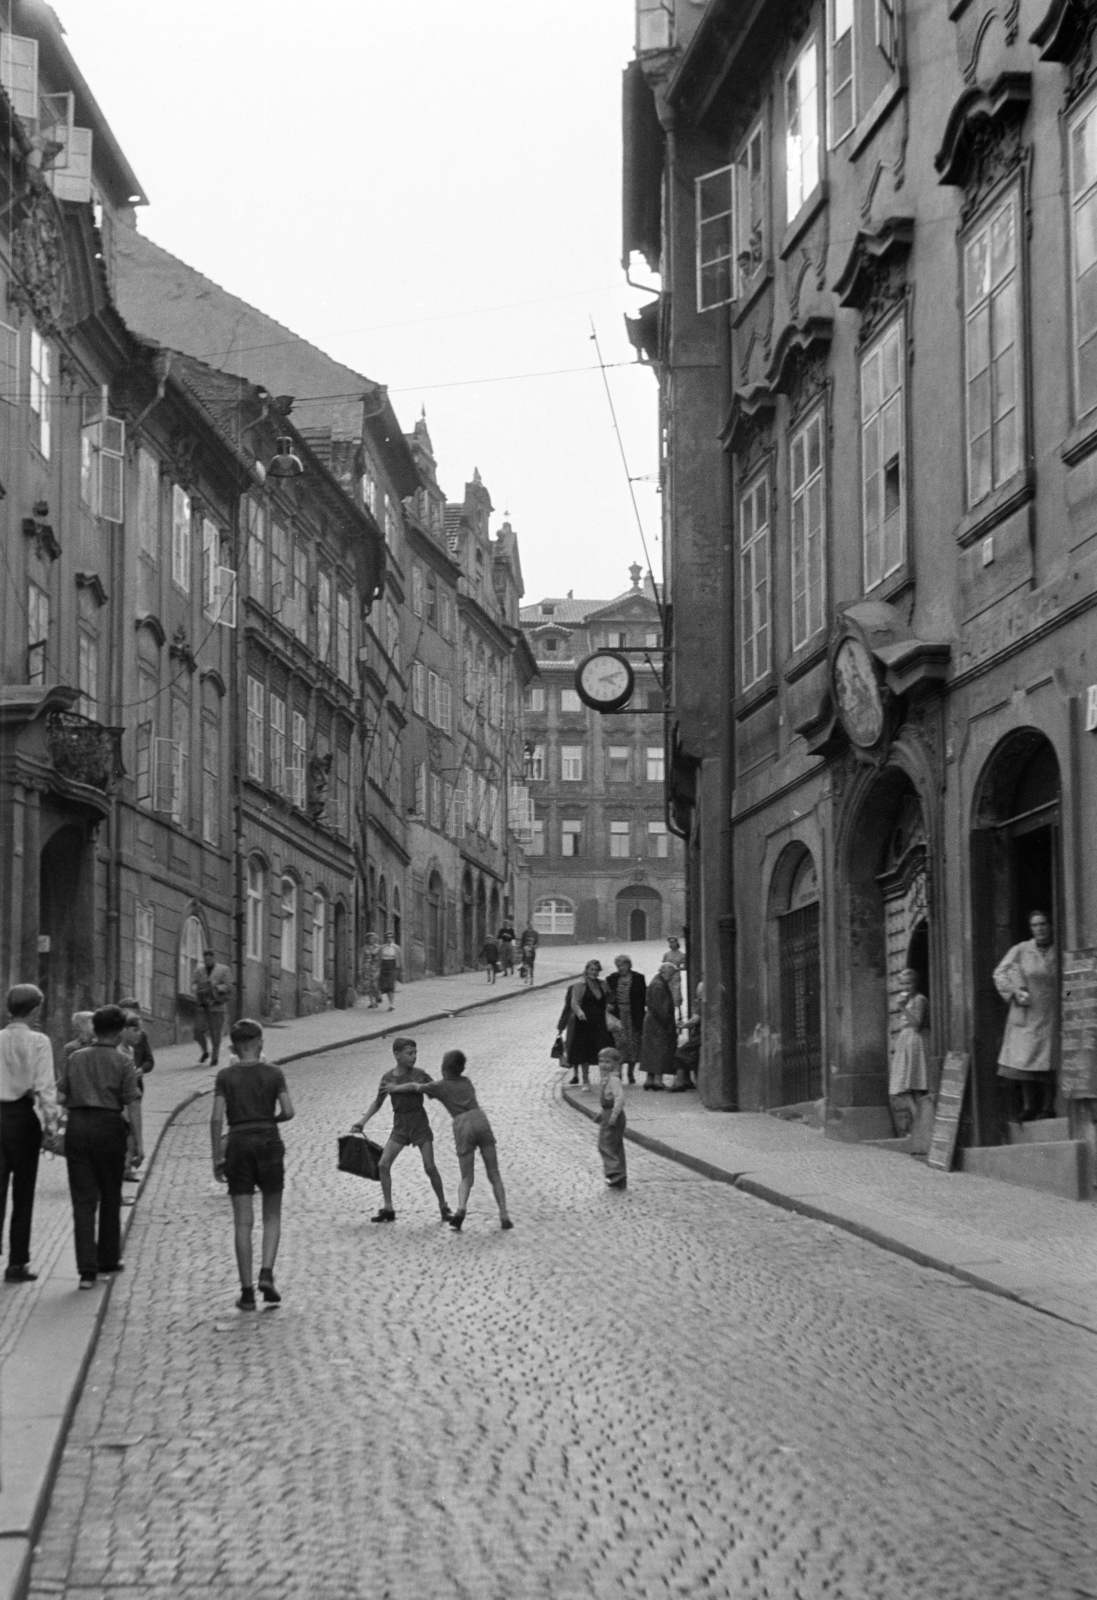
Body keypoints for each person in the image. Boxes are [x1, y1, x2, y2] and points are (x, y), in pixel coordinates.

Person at [210, 1018, 295, 1311]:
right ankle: (267, 1274)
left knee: (243, 1222)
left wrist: (216, 1157)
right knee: (272, 1215)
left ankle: (246, 1293)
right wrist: (271, 1120)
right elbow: (288, 1110)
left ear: (233, 1046)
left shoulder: (225, 1076)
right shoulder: (273, 1073)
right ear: (260, 1043)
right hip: (269, 1142)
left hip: (237, 1144)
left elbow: (216, 1118)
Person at [57, 1005, 143, 1290]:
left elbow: (61, 1094)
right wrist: (138, 1144)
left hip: (79, 1127)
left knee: (83, 1201)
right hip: (109, 1128)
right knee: (109, 1195)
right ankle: (108, 1258)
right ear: (119, 1032)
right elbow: (132, 1102)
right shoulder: (123, 1062)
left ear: (94, 1028)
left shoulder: (76, 1057)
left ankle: (86, 1270)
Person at [389, 1049, 511, 1231]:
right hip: (480, 1119)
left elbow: (414, 1087)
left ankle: (461, 1209)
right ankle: (504, 1214)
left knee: (467, 1177)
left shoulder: (440, 1086)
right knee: (494, 1172)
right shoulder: (467, 1082)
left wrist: (394, 1088)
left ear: (444, 1068)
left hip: (462, 1125)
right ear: (462, 1068)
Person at [352, 1037, 451, 1223]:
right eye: (409, 1053)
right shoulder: (387, 1078)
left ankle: (443, 1206)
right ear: (396, 1055)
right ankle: (388, 1208)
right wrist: (362, 1122)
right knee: (383, 1164)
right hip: (400, 1125)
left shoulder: (419, 1074)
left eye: (415, 1053)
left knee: (430, 1167)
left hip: (419, 1123)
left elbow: (437, 1089)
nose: (413, 1057)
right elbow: (378, 1102)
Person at [0, 984, 59, 1283]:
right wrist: (52, 1126)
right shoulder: (39, 1041)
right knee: (23, 1194)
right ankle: (16, 1263)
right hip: (22, 1120)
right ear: (35, 1010)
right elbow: (45, 1088)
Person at [994, 911, 1059, 1122]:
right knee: (1025, 1059)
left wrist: (1067, 997)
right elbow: (1000, 973)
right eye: (1035, 925)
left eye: (1043, 924)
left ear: (1050, 926)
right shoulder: (1021, 950)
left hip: (1052, 1012)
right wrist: (1014, 991)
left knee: (1050, 1060)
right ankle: (1029, 1106)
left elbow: (1068, 983)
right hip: (1027, 1011)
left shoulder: (1059, 950)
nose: (1039, 929)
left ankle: (1049, 1106)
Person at [561, 960, 613, 1089]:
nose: (594, 972)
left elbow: (609, 998)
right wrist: (579, 1013)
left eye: (596, 970)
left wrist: (610, 1006)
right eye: (592, 970)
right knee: (584, 1052)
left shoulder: (603, 984)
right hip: (584, 1023)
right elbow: (574, 1002)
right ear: (586, 970)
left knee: (602, 1050)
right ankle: (585, 1080)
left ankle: (604, 1079)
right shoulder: (579, 985)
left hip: (599, 1022)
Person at [889, 970, 929, 1135]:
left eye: (909, 983)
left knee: (914, 1085)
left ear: (915, 983)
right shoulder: (910, 1000)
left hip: (915, 1040)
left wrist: (903, 1008)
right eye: (903, 984)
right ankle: (919, 1121)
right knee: (904, 1086)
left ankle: (920, 1123)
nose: (906, 987)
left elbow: (917, 1024)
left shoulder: (919, 1000)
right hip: (906, 1041)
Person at [119, 1010, 154, 1184]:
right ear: (123, 1030)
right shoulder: (117, 1050)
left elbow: (149, 1061)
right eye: (135, 1030)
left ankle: (127, 1168)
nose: (139, 1033)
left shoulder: (131, 1050)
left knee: (132, 1130)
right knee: (126, 1131)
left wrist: (139, 1071)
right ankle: (124, 1167)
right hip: (122, 1099)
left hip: (133, 1094)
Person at [605, 955, 646, 1084]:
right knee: (619, 1044)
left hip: (633, 1015)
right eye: (618, 966)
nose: (620, 968)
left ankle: (631, 1073)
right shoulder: (611, 979)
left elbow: (643, 998)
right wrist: (609, 1005)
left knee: (633, 1044)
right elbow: (606, 996)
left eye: (622, 965)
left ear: (629, 965)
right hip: (618, 1016)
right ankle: (619, 1072)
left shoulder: (639, 978)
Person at [641, 962, 678, 1090]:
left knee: (651, 1051)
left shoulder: (657, 982)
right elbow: (660, 1008)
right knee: (659, 1050)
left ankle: (650, 1080)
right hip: (658, 1023)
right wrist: (667, 1023)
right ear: (665, 972)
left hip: (653, 1021)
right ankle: (657, 1080)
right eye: (671, 974)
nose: (672, 977)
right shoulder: (659, 985)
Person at [191, 948, 232, 1065]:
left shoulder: (224, 970)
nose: (207, 962)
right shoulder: (200, 971)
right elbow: (193, 983)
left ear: (214, 958)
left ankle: (215, 1057)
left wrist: (217, 987)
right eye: (205, 960)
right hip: (202, 1005)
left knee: (215, 1033)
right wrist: (195, 989)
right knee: (198, 1031)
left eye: (209, 959)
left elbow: (229, 986)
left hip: (216, 1006)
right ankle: (205, 1051)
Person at [596, 1048, 627, 1189]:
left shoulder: (614, 1079)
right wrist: (602, 1113)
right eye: (601, 1061)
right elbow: (606, 1100)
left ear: (615, 1063)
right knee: (615, 1145)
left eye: (607, 1062)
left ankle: (615, 1172)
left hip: (614, 1115)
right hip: (608, 1113)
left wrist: (613, 1116)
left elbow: (619, 1099)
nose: (603, 1065)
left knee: (605, 1144)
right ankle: (620, 1175)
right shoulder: (606, 1079)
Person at [669, 980, 704, 1092]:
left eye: (699, 990)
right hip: (699, 1035)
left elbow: (695, 1019)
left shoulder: (700, 1003)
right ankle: (686, 1081)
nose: (697, 992)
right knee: (688, 1055)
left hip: (699, 1036)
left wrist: (683, 1026)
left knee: (680, 1053)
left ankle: (680, 1082)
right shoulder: (702, 1002)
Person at [660, 935, 687, 1019]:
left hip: (676, 978)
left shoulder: (681, 955)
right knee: (668, 995)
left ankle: (679, 1012)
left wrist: (676, 969)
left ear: (677, 943)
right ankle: (669, 1013)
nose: (672, 944)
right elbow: (663, 966)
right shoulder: (666, 955)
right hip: (667, 978)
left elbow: (685, 967)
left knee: (676, 996)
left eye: (673, 942)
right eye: (670, 942)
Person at [378, 933, 402, 1012]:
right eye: (387, 938)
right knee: (385, 986)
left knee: (391, 985)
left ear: (393, 938)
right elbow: (378, 957)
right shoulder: (382, 948)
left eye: (390, 937)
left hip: (393, 966)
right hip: (384, 966)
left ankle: (391, 1004)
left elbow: (400, 959)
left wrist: (400, 969)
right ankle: (388, 1002)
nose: (389, 939)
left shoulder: (396, 948)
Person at [362, 933, 382, 1009]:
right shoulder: (364, 947)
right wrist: (361, 968)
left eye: (373, 939)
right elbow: (362, 957)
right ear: (367, 939)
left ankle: (378, 997)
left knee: (375, 984)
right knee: (368, 985)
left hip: (375, 967)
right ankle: (372, 1002)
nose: (371, 940)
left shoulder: (378, 947)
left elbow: (379, 957)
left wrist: (379, 968)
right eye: (370, 939)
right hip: (367, 967)